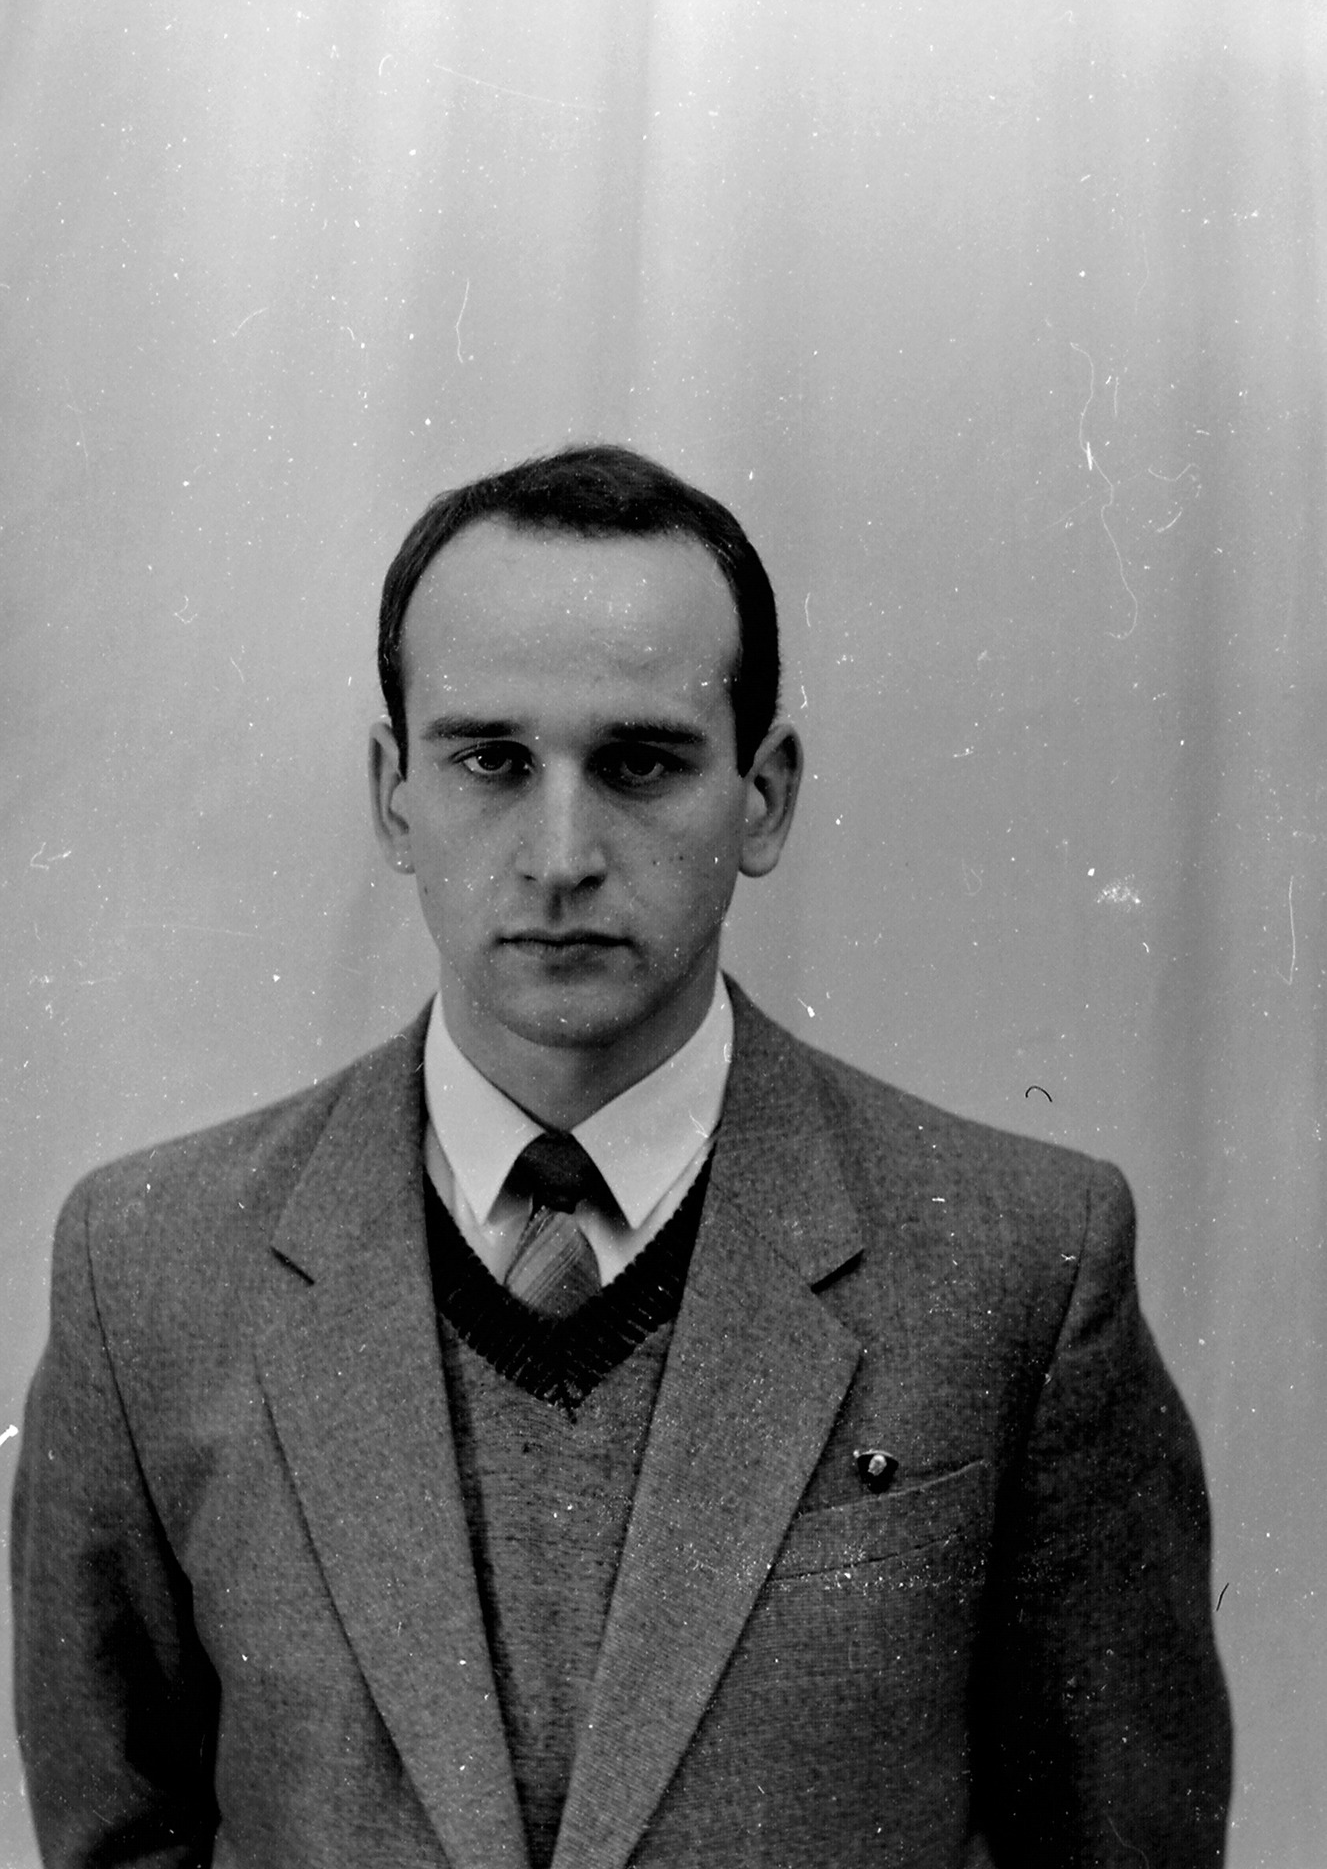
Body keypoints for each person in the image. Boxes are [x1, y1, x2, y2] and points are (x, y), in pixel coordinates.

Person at [12, 444, 1231, 1869]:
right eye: (490, 761)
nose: (561, 853)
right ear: (394, 793)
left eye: (641, 763)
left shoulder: (1021, 1265)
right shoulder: (150, 1271)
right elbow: (117, 1834)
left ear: (762, 795)